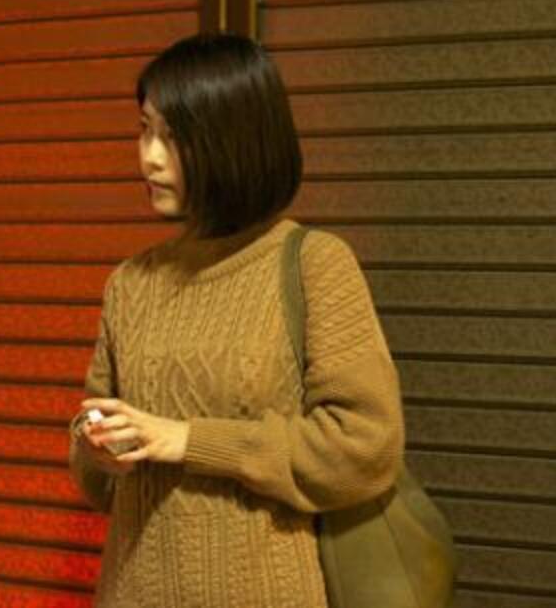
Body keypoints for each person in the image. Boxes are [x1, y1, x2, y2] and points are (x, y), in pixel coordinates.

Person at [69, 34, 405, 608]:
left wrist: (190, 440)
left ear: (234, 142)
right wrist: (96, 446)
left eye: (173, 138)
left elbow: (365, 448)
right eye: (145, 130)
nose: (149, 157)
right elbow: (95, 473)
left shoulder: (314, 264)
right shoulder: (131, 283)